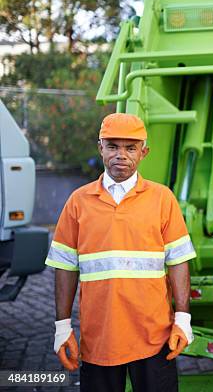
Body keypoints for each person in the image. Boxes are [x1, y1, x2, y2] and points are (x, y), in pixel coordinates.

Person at [45, 113, 197, 392]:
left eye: (130, 147)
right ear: (100, 148)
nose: (121, 155)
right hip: (99, 339)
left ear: (144, 152)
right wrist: (62, 327)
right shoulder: (78, 202)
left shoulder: (162, 199)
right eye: (113, 146)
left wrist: (183, 320)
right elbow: (65, 267)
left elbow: (178, 262)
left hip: (154, 338)